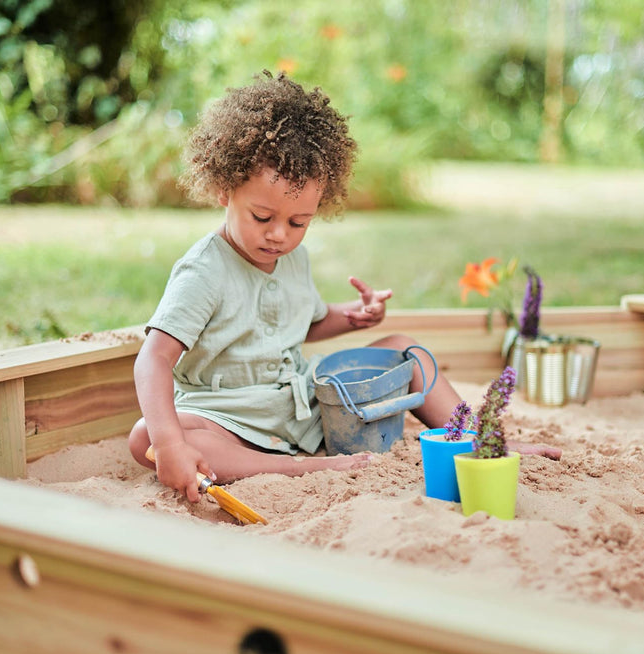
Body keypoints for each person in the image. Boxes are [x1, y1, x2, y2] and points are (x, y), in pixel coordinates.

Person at [128, 71, 559, 503]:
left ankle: (479, 439)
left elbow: (304, 324)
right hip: (229, 419)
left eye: (299, 222)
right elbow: (154, 359)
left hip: (304, 407)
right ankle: (293, 466)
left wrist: (352, 318)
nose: (280, 235)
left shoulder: (291, 258)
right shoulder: (204, 271)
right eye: (263, 217)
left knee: (406, 351)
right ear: (225, 189)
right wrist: (170, 444)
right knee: (145, 436)